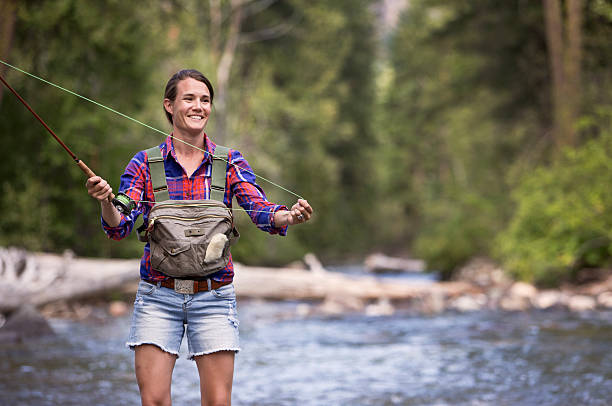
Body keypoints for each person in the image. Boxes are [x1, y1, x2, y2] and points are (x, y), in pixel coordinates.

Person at [86, 69, 313, 406]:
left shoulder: (230, 161)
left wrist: (288, 216)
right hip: (157, 297)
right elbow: (118, 225)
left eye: (205, 100)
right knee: (155, 402)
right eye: (189, 98)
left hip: (215, 297)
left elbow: (260, 209)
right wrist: (106, 202)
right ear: (169, 105)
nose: (198, 106)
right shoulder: (143, 164)